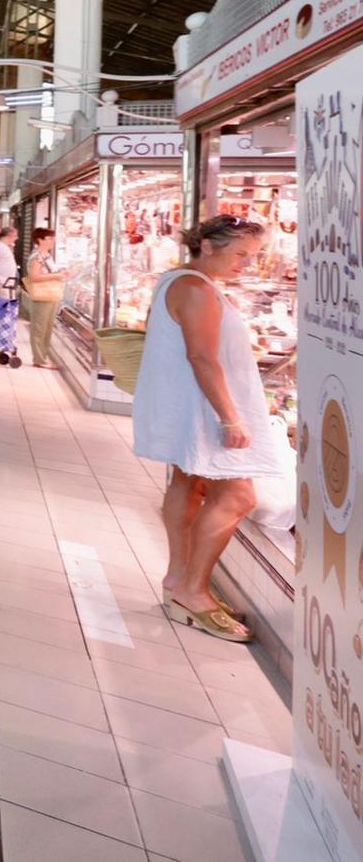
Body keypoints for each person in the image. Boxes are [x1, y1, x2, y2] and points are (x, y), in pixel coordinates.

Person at [131, 216, 288, 644]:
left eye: (250, 256)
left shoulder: (179, 281)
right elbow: (202, 358)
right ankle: (193, 591)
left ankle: (179, 581)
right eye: (240, 255)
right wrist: (231, 417)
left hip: (193, 407)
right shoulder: (196, 289)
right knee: (238, 496)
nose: (245, 264)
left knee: (188, 482)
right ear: (206, 246)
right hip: (207, 409)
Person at [22, 228, 66, 369]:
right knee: (39, 328)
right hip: (42, 296)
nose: (53, 241)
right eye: (50, 238)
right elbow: (34, 277)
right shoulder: (37, 256)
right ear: (40, 240)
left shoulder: (46, 255)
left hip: (51, 295)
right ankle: (39, 359)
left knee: (47, 328)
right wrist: (57, 276)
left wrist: (61, 274)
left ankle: (43, 357)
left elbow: (48, 272)